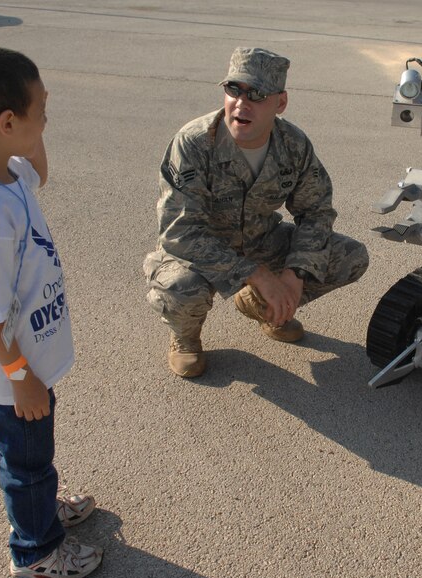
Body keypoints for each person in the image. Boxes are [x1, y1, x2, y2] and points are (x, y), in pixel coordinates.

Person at [0, 46, 103, 578]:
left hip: (27, 363)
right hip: (12, 375)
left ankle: (41, 507)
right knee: (25, 463)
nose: (46, 119)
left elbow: (39, 175)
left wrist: (32, 136)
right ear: (7, 122)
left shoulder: (4, 168)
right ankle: (36, 551)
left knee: (35, 455)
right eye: (42, 111)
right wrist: (20, 377)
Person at [144, 47, 369, 378]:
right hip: (199, 249)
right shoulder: (193, 143)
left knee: (350, 256)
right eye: (234, 89)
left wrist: (294, 274)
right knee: (181, 287)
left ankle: (265, 308)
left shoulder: (293, 144)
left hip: (261, 239)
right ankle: (186, 339)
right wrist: (258, 274)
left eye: (257, 94)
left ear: (280, 103)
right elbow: (180, 233)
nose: (241, 103)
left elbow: (316, 212)